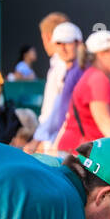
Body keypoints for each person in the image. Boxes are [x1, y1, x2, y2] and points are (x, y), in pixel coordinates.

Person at [56, 29, 110, 150]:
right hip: (81, 158)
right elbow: (104, 121)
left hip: (81, 155)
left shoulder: (95, 76)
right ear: (101, 54)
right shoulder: (98, 79)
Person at [32, 21, 83, 152]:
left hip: (76, 145)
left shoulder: (79, 71)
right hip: (64, 141)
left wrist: (39, 140)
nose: (63, 48)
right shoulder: (69, 70)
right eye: (58, 43)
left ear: (79, 43)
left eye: (68, 43)